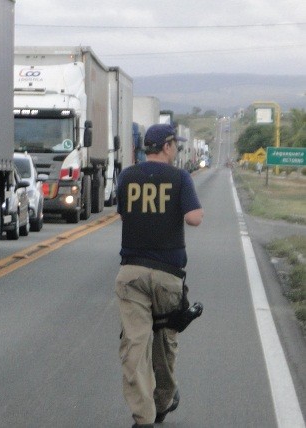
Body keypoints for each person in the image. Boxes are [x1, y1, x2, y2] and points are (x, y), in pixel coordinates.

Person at [114, 123, 204, 428]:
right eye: (174, 144)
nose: (176, 148)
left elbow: (124, 212)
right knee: (165, 342)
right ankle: (163, 400)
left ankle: (143, 418)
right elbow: (194, 219)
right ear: (166, 146)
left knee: (135, 346)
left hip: (132, 273)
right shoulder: (180, 178)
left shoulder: (127, 176)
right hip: (168, 275)